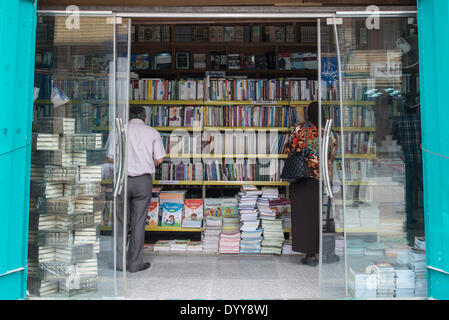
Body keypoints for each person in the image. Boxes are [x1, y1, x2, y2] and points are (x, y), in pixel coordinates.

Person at [110, 105, 166, 273]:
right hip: (143, 181)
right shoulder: (152, 132)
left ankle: (119, 263)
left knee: (120, 222)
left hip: (121, 180)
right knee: (138, 222)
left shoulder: (118, 131)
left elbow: (110, 157)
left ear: (128, 117)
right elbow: (159, 160)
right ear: (144, 117)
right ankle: (135, 264)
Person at [282, 101, 337, 266]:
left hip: (303, 178)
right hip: (324, 178)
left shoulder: (301, 128)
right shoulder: (327, 130)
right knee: (326, 217)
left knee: (306, 217)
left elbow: (288, 149)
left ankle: (310, 256)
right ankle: (328, 253)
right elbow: (334, 150)